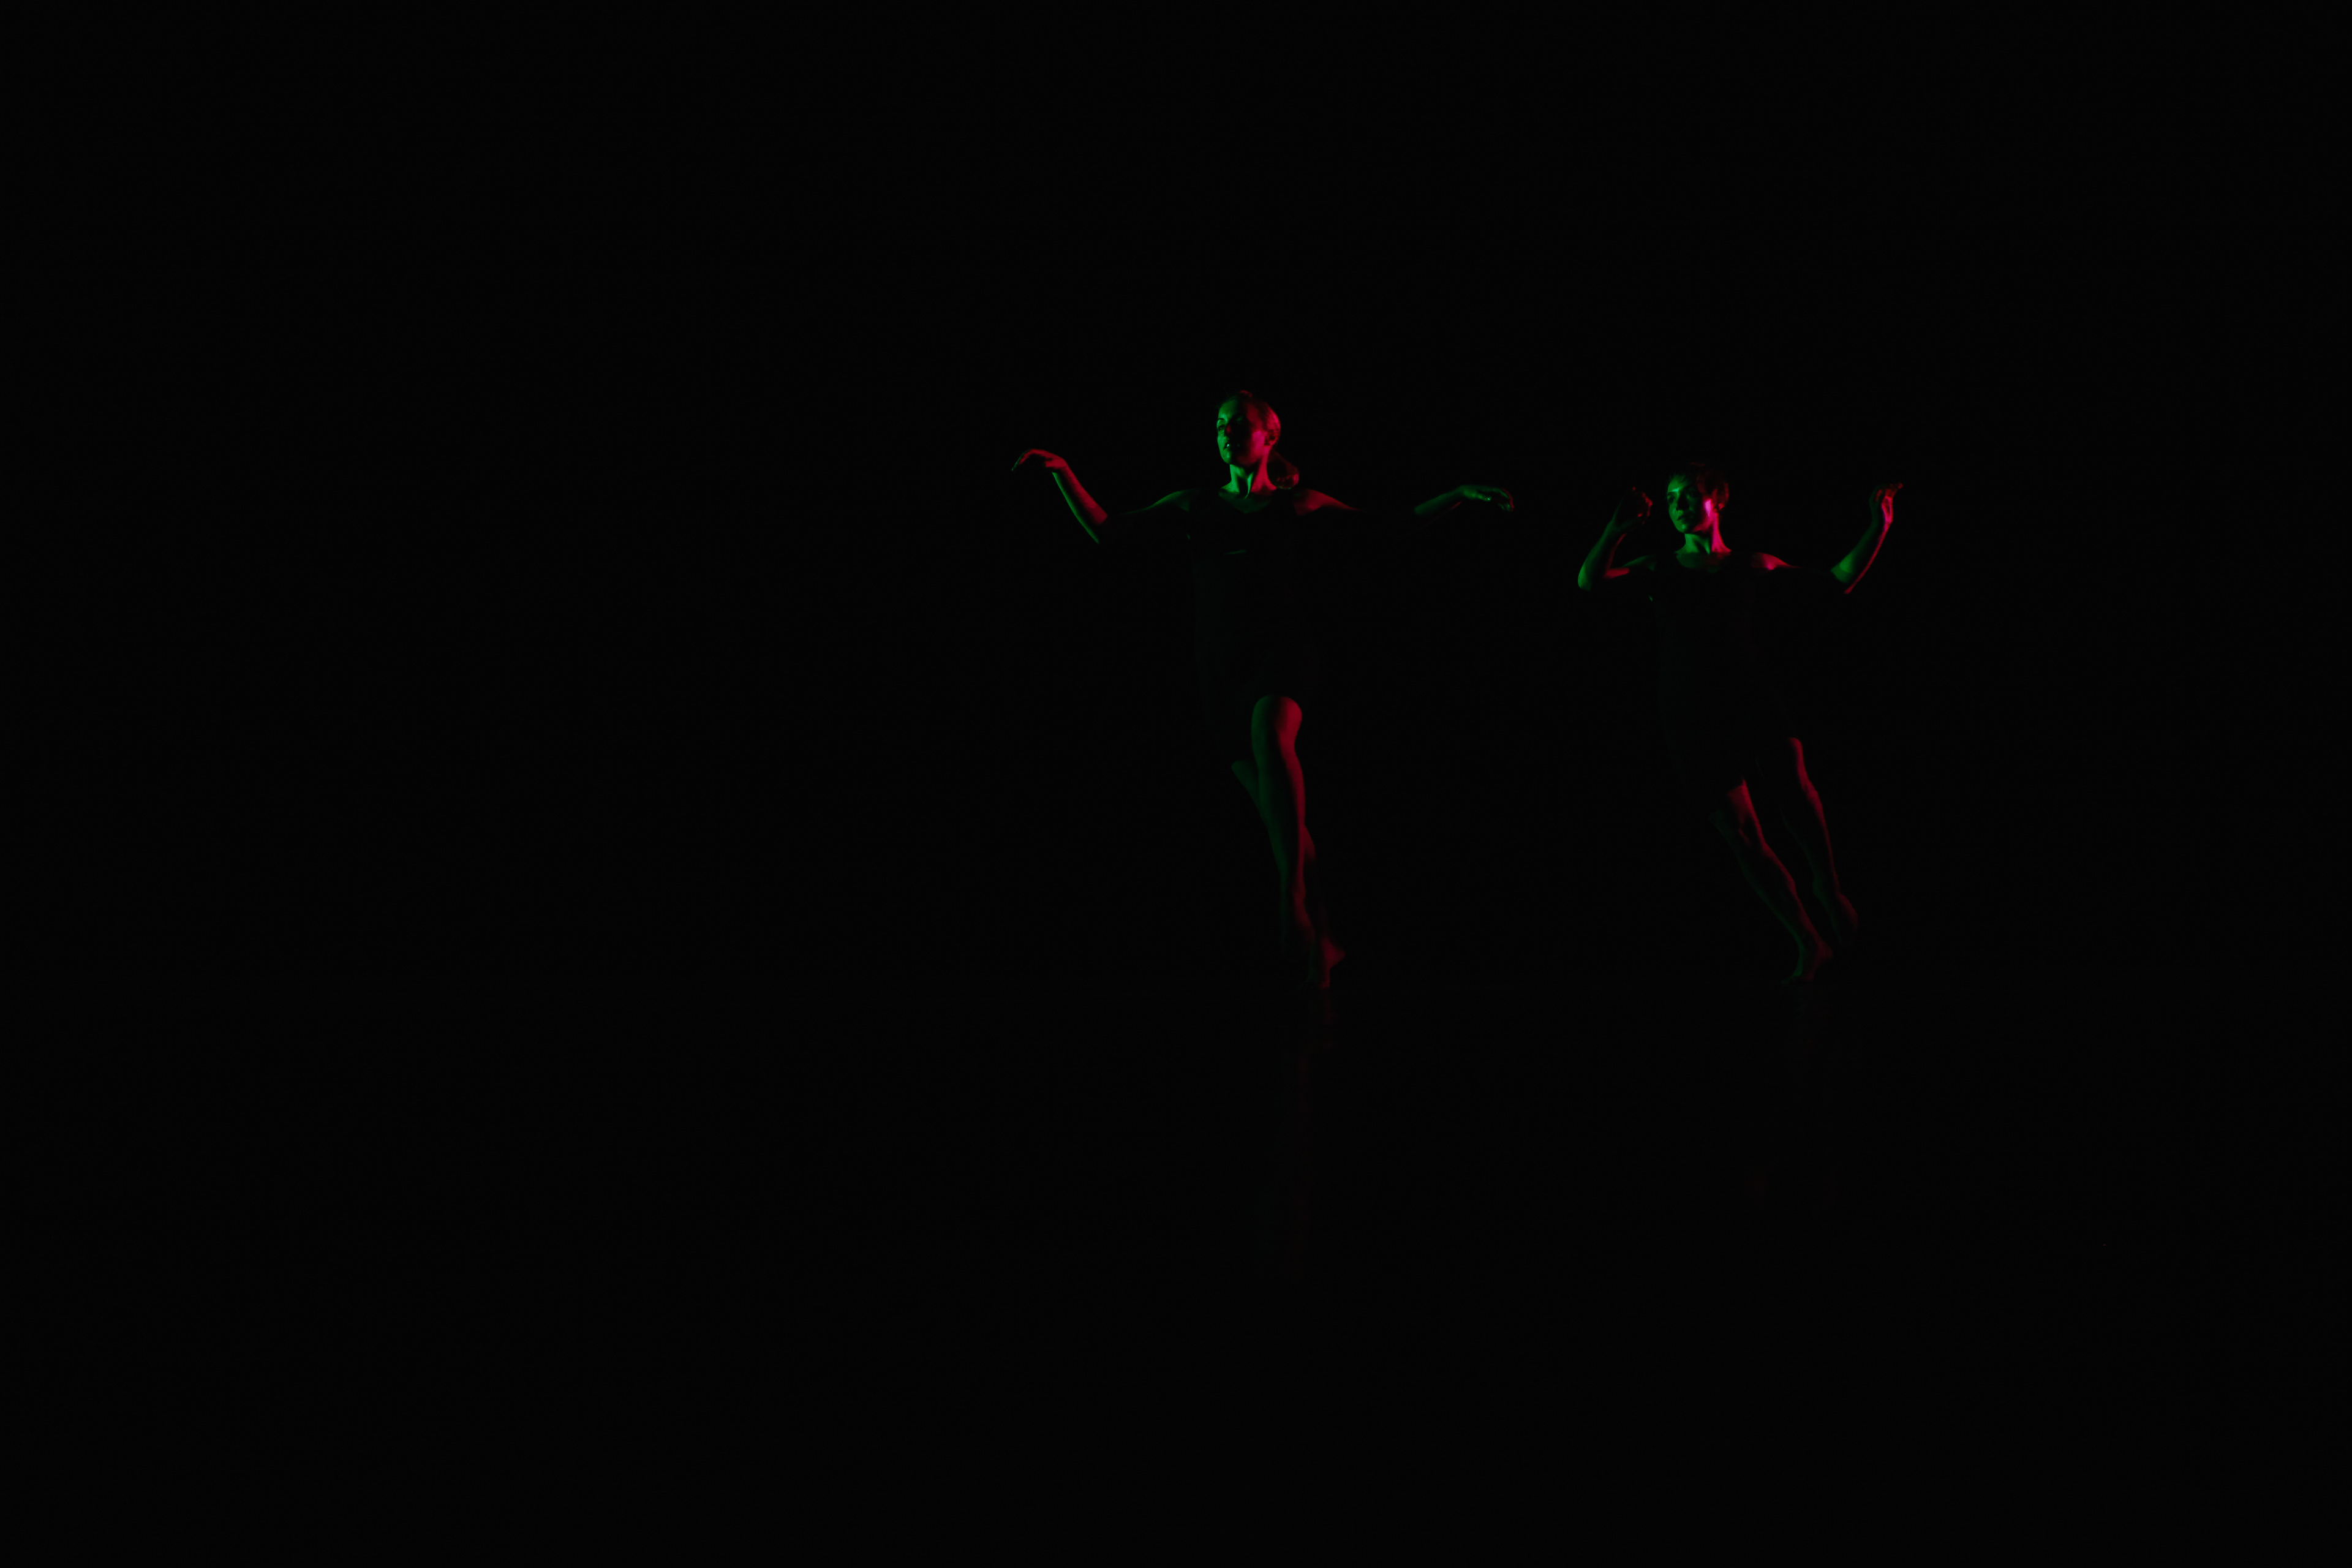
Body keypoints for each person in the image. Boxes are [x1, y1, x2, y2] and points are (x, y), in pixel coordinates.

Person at [1013, 390, 1512, 987]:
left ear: (1269, 436)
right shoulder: (1194, 502)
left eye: (1238, 424)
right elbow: (1108, 531)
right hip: (1219, 669)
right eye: (1219, 425)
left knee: (1271, 737)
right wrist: (1064, 472)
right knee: (1283, 820)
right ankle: (1324, 939)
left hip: (1282, 652)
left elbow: (1387, 528)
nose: (1226, 433)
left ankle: (1289, 901)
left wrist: (1456, 494)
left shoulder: (1297, 503)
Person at [1577, 462, 1900, 983]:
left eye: (1689, 495)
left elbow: (1838, 580)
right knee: (1744, 837)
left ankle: (1827, 886)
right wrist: (1616, 529)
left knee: (1797, 792)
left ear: (1719, 499)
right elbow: (1589, 582)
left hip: (1751, 697)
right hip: (1689, 712)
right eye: (1671, 498)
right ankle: (1808, 942)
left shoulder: (1751, 564)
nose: (1678, 505)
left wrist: (1879, 526)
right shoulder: (1658, 566)